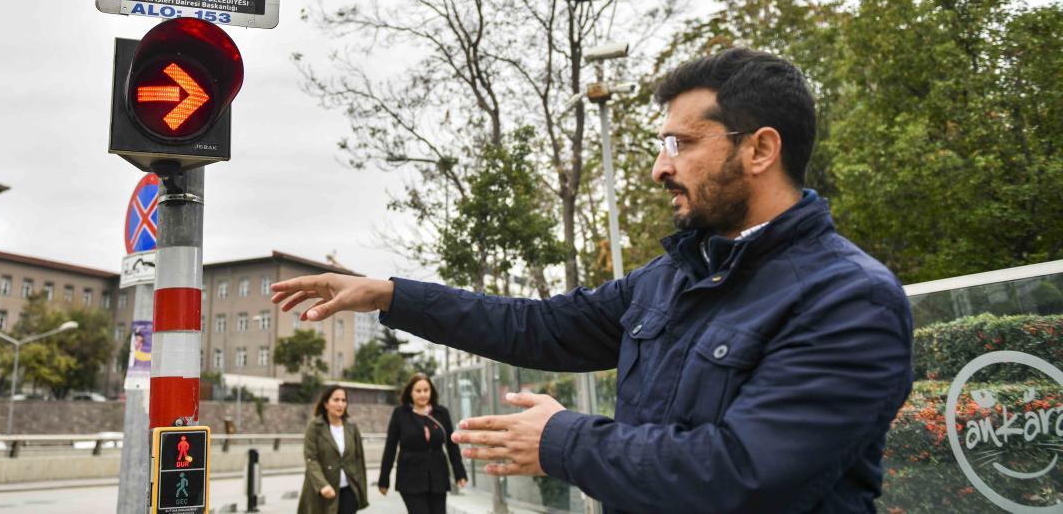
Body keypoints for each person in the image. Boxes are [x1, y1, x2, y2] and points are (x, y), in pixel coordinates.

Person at [273, 48, 913, 514]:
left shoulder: (850, 299)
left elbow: (743, 476)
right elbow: (538, 327)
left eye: (679, 144)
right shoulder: (669, 278)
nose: (660, 170)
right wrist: (392, 294)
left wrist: (562, 440)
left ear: (760, 150)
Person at [378, 373, 468, 514]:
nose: (422, 394)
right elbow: (390, 447)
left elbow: (452, 445)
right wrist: (384, 479)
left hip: (438, 478)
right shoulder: (400, 413)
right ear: (410, 393)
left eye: (426, 390)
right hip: (410, 478)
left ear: (431, 391)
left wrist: (459, 473)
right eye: (418, 391)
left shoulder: (441, 413)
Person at [299, 385, 369, 514]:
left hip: (348, 490)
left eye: (343, 400)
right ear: (326, 403)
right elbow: (311, 458)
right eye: (336, 400)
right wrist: (322, 485)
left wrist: (360, 489)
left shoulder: (352, 427)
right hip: (323, 491)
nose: (340, 404)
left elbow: (359, 459)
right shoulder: (315, 426)